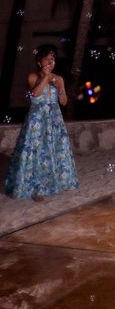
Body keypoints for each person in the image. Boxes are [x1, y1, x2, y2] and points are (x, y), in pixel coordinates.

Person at [5, 45, 79, 201]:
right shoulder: (33, 77)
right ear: (39, 62)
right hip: (37, 120)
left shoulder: (59, 79)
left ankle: (55, 183)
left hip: (54, 119)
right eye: (47, 58)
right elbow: (35, 94)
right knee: (37, 153)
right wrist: (46, 77)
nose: (51, 61)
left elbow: (64, 102)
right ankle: (36, 189)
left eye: (53, 59)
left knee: (55, 150)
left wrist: (60, 90)